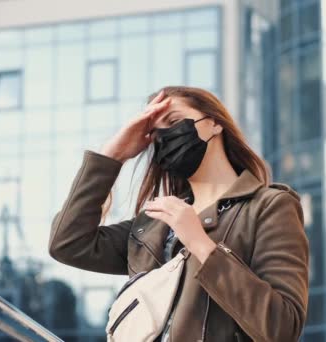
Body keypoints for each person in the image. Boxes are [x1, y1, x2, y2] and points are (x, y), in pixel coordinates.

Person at [48, 86, 309, 341]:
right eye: (155, 133)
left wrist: (201, 245)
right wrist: (112, 155)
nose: (165, 137)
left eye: (174, 121)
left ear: (215, 123)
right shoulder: (152, 224)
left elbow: (283, 328)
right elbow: (67, 243)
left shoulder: (270, 206)